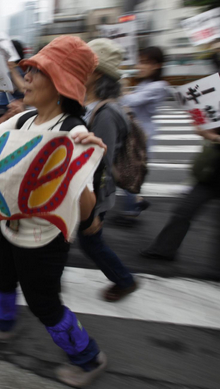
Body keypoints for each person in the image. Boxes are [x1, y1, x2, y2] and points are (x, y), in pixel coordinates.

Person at [0, 36, 108, 388]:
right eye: (29, 70)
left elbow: (86, 207)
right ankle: (2, 324)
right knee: (2, 277)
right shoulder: (24, 120)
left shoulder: (74, 133)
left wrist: (83, 170)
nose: (27, 78)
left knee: (44, 304)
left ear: (60, 85)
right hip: (9, 225)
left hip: (44, 237)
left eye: (37, 72)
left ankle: (88, 358)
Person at [141, 45, 220, 282]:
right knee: (184, 210)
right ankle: (164, 249)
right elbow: (213, 122)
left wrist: (219, 138)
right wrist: (204, 127)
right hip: (216, 167)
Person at [80, 39, 138, 301]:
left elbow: (99, 164)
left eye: (85, 65)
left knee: (91, 241)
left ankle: (124, 280)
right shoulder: (89, 104)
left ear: (98, 73)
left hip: (94, 193)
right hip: (81, 189)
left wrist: (94, 212)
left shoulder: (106, 113)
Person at [119, 47, 168, 220]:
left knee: (130, 170)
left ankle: (132, 209)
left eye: (145, 62)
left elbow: (132, 101)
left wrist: (123, 89)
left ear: (157, 66)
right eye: (140, 61)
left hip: (143, 134)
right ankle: (137, 201)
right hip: (133, 132)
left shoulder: (159, 86)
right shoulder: (144, 84)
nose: (140, 66)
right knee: (128, 169)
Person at [0, 40, 26, 125]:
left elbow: (24, 89)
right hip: (7, 108)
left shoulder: (18, 71)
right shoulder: (12, 70)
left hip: (10, 109)